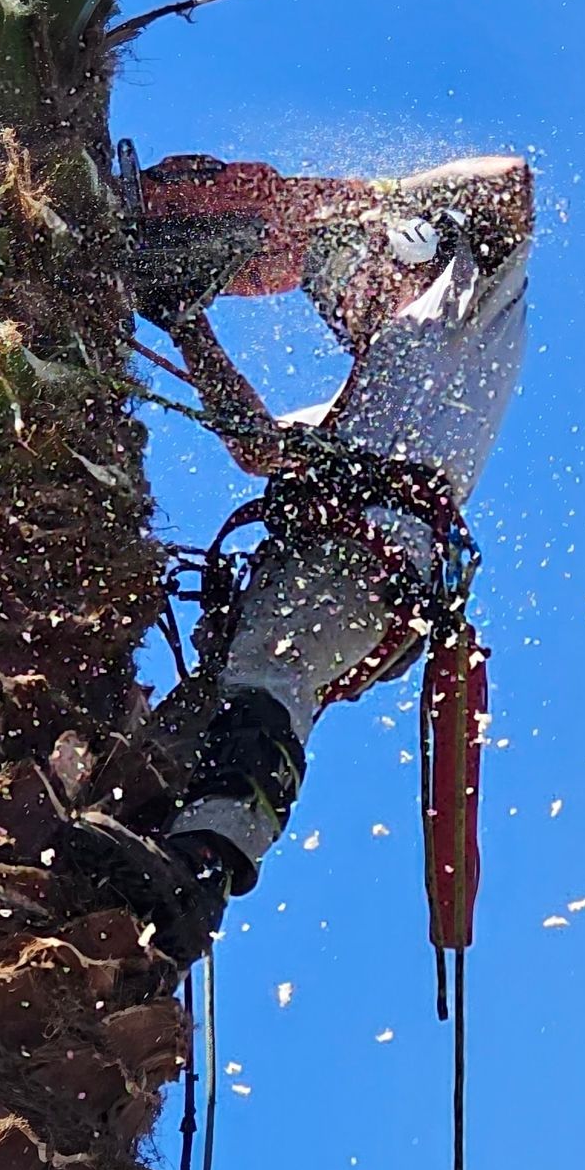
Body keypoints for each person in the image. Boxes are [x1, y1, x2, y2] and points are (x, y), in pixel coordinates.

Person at [61, 149, 534, 963]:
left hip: (372, 556)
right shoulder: (363, 384)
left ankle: (202, 871)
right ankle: (107, 875)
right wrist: (187, 324)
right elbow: (262, 449)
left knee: (269, 678)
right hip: (314, 564)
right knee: (190, 726)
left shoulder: (469, 300)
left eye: (343, 272)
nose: (336, 297)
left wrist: (355, 201)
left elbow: (510, 183)